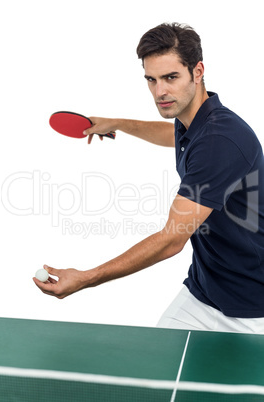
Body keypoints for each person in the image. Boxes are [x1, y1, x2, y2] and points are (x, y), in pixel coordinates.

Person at [34, 23, 264, 333]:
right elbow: (172, 134)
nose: (160, 92)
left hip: (251, 308)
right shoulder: (196, 120)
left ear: (198, 71)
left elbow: (171, 240)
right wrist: (117, 123)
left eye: (171, 78)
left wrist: (86, 278)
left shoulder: (220, 140)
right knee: (158, 377)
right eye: (151, 80)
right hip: (202, 293)